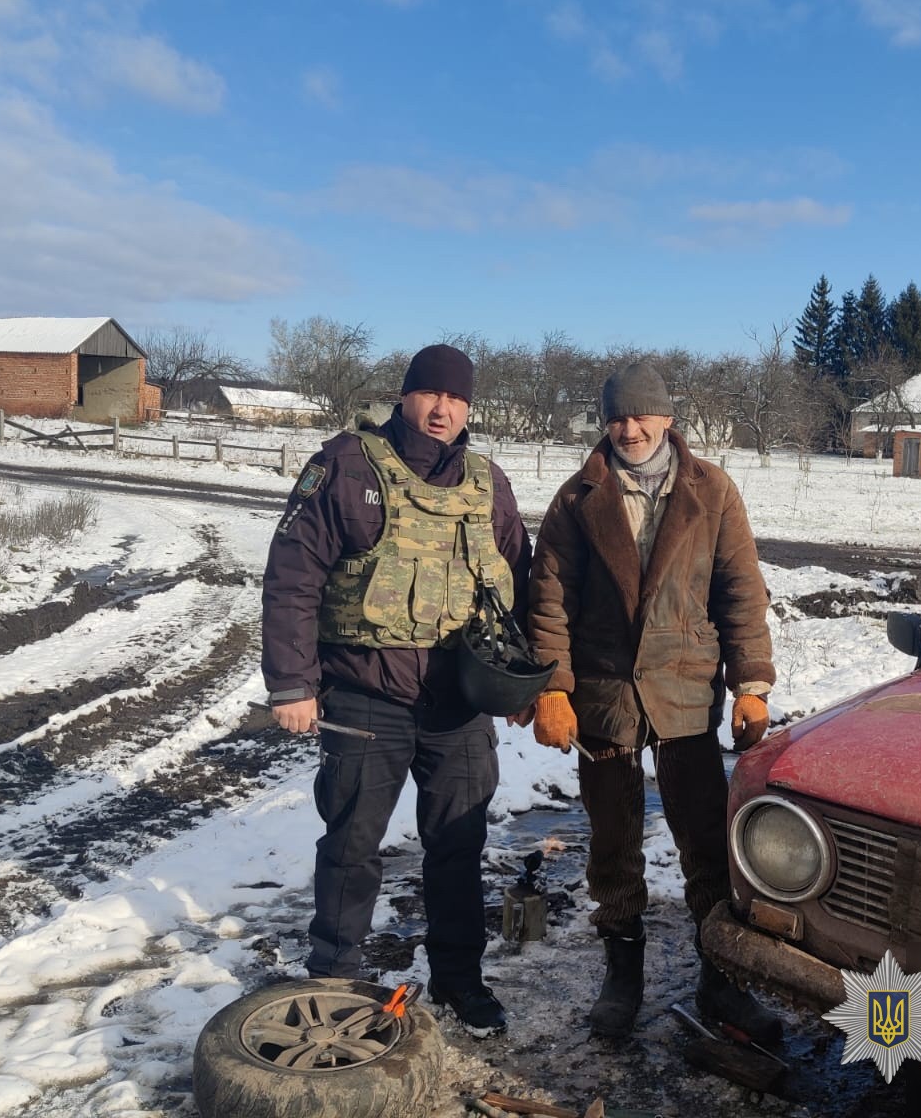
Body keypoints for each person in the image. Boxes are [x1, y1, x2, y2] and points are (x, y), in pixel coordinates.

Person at [261, 343, 532, 1038]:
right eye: (431, 394)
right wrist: (292, 682)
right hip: (366, 697)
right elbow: (293, 576)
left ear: (469, 409)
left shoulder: (487, 482)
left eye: (457, 399)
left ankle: (460, 979)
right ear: (405, 396)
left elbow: (520, 582)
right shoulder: (345, 466)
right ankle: (334, 975)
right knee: (352, 844)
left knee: (459, 845)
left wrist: (525, 682)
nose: (443, 410)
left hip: (459, 701)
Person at [523, 360, 783, 1044]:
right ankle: (623, 970)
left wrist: (751, 685)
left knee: (705, 837)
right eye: (617, 417)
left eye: (641, 415)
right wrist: (552, 687)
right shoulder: (577, 498)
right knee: (612, 837)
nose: (629, 428)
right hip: (604, 690)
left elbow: (740, 589)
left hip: (685, 686)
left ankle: (720, 976)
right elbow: (549, 600)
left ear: (668, 418)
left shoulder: (712, 490)